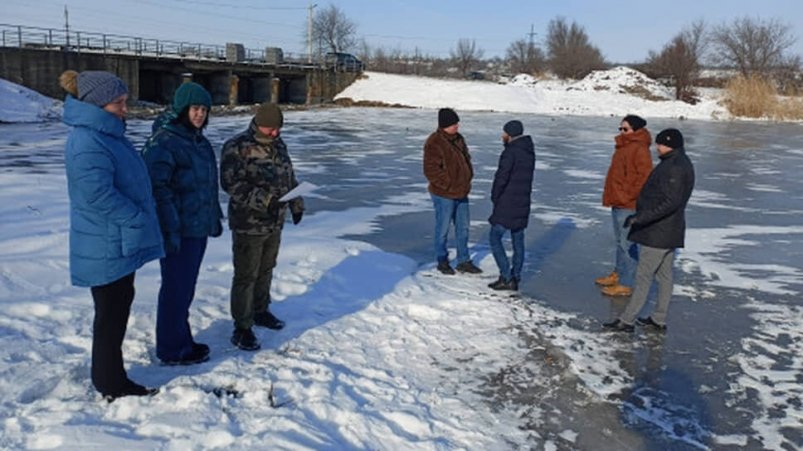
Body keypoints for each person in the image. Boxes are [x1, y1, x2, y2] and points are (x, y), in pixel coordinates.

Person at [59, 70, 163, 401]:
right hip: (106, 241)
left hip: (114, 240)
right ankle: (111, 383)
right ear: (98, 103)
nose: (125, 109)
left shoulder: (105, 134)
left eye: (124, 102)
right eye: (119, 103)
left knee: (116, 310)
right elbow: (96, 194)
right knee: (110, 316)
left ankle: (110, 377)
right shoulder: (88, 140)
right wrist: (135, 217)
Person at [142, 82, 223, 365]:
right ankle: (171, 348)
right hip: (177, 230)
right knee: (176, 289)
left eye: (204, 109)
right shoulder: (165, 142)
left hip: (196, 227)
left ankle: (181, 339)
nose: (200, 114)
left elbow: (205, 186)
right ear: (182, 109)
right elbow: (156, 189)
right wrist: (170, 228)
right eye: (195, 108)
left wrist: (212, 218)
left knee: (185, 287)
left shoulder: (197, 141)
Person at [220, 103, 304, 351]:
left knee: (266, 269)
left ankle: (260, 310)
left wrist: (296, 203)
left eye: (278, 129)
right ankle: (242, 327)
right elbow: (230, 184)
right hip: (249, 223)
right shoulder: (238, 147)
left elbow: (289, 177)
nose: (274, 133)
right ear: (258, 123)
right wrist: (264, 200)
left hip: (275, 222)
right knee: (246, 275)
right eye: (270, 129)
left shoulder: (279, 145)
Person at [603, 129, 695, 333]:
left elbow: (670, 202)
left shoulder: (675, 167)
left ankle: (627, 321)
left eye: (660, 144)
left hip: (659, 232)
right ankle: (659, 319)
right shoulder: (678, 162)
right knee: (664, 276)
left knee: (643, 277)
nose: (656, 147)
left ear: (670, 145)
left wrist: (640, 218)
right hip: (669, 230)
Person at [596, 114, 653, 297]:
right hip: (618, 201)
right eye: (620, 128)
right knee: (620, 241)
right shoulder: (624, 145)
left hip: (628, 204)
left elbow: (644, 178)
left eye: (625, 129)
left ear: (635, 130)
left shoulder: (639, 148)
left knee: (627, 243)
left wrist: (626, 195)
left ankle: (627, 283)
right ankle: (618, 273)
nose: (621, 131)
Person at [423, 108, 482, 275]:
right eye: (454, 124)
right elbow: (431, 171)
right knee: (442, 229)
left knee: (463, 229)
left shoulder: (459, 139)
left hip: (462, 192)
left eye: (457, 123)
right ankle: (442, 260)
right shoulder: (434, 142)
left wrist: (467, 178)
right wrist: (448, 185)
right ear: (444, 125)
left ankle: (464, 260)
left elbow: (466, 160)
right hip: (444, 194)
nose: (457, 126)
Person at [487, 120, 535, 291]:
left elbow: (501, 178)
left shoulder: (510, 152)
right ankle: (516, 277)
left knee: (494, 238)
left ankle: (506, 277)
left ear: (510, 134)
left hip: (508, 203)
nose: (502, 135)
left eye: (504, 133)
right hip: (523, 202)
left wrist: (495, 197)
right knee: (518, 240)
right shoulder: (528, 151)